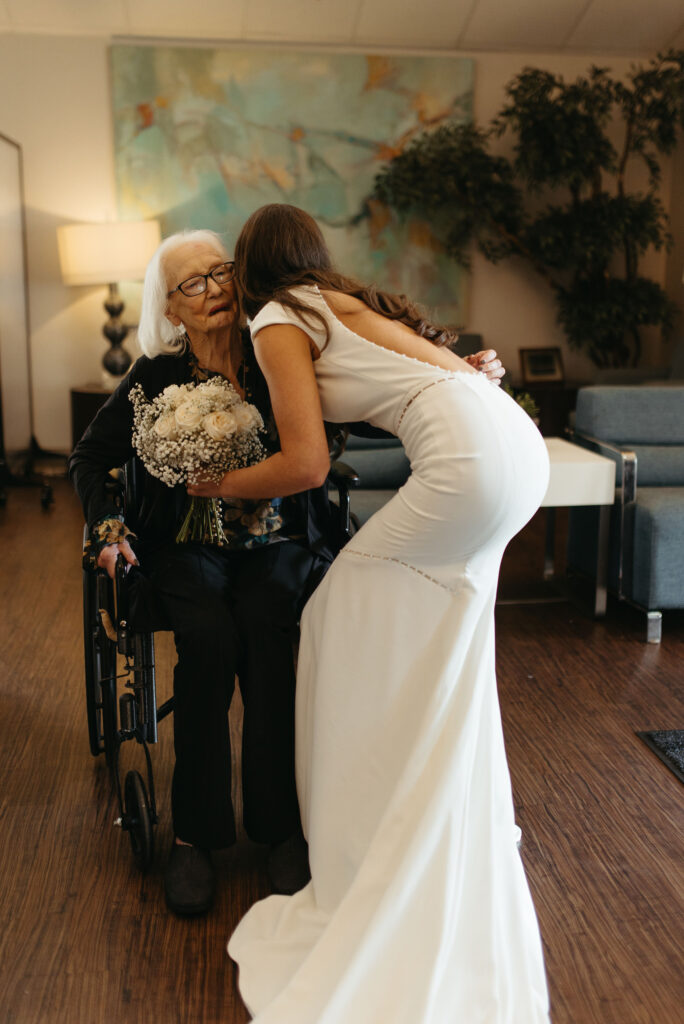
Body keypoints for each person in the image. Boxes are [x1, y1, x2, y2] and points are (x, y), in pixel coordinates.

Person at [69, 228, 504, 919]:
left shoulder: (274, 347)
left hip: (279, 542)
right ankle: (195, 836)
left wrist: (457, 376)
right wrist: (110, 529)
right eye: (193, 284)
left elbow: (373, 407)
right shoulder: (152, 378)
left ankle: (280, 829)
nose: (215, 289)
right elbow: (89, 460)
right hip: (186, 547)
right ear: (171, 309)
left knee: (271, 632)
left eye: (220, 273)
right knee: (207, 639)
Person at [189, 204, 551, 1022]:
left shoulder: (281, 313)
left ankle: (361, 834)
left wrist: (215, 484)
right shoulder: (341, 302)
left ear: (249, 268)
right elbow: (447, 372)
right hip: (512, 444)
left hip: (470, 458)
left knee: (333, 618)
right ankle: (420, 796)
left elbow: (306, 464)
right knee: (435, 636)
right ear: (311, 253)